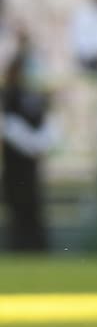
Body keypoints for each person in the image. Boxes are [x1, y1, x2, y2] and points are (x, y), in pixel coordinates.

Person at [2, 37, 56, 253]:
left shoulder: (33, 95)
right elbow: (7, 125)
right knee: (18, 206)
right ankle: (20, 247)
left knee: (32, 205)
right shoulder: (8, 94)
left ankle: (35, 247)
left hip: (30, 162)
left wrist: (38, 144)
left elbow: (45, 121)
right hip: (15, 161)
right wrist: (32, 144)